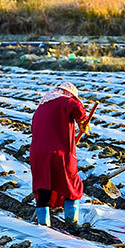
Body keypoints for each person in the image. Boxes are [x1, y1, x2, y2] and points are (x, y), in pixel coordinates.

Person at [29, 81, 89, 227]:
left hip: (38, 154)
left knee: (44, 188)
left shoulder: (42, 106)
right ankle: (72, 224)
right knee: (71, 185)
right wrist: (83, 121)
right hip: (59, 153)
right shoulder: (66, 101)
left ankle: (43, 226)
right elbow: (77, 109)